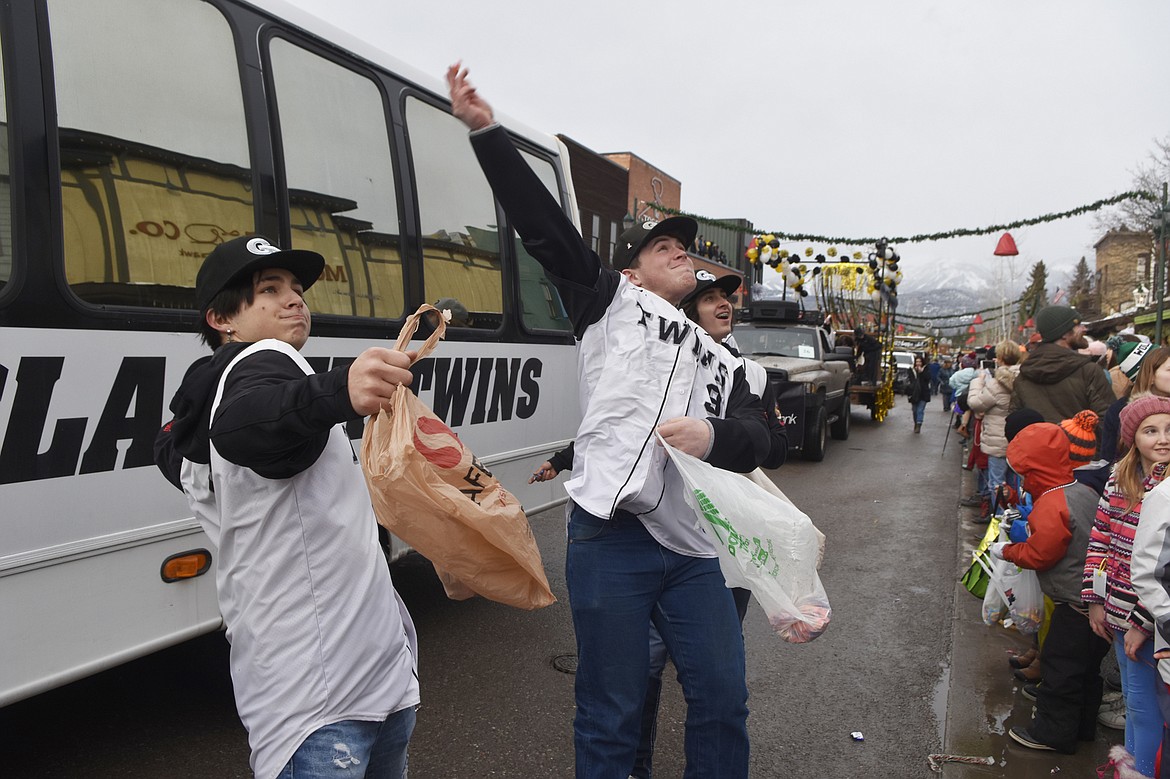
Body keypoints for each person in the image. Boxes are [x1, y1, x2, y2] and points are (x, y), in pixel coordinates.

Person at [448, 65, 769, 778]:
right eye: (664, 247)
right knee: (611, 711)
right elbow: (546, 230)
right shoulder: (607, 307)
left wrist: (713, 436)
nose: (681, 251)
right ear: (631, 275)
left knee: (722, 697)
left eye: (686, 247)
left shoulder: (728, 359)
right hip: (610, 541)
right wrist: (488, 134)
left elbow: (758, 438)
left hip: (693, 551)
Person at [153, 235, 421, 779]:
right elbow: (245, 427)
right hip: (320, 706)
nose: (294, 299)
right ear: (221, 318)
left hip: (369, 675)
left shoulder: (218, 394)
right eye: (268, 291)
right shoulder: (262, 363)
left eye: (296, 288)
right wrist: (337, 392)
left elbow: (195, 444)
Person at [988, 422, 1109, 754]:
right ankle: (1081, 727)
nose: (1024, 481)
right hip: (1096, 601)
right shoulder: (1083, 490)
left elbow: (1041, 553)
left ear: (1036, 470)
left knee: (1061, 668)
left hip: (1074, 604)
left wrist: (1008, 551)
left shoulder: (1052, 502)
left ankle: (1053, 734)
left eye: (1025, 473)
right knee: (1087, 671)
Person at [1082, 395, 1170, 776]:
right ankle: (1132, 767)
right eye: (1151, 431)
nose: (1162, 439)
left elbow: (1162, 569)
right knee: (1138, 700)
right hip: (1117, 609)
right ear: (1133, 437)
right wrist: (1094, 599)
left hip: (1153, 619)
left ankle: (1140, 772)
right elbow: (1099, 537)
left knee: (1146, 704)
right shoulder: (1120, 478)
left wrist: (1141, 621)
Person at [1010, 305, 1114, 444]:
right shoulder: (1089, 372)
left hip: (1039, 459)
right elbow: (1109, 422)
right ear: (1064, 334)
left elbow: (1014, 425)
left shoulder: (1023, 376)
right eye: (1078, 326)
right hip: (1082, 460)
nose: (1084, 329)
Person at [968, 339, 1023, 516]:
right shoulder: (1024, 379)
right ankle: (1014, 522)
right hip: (1019, 440)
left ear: (999, 358)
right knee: (1015, 485)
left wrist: (978, 382)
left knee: (997, 484)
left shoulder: (997, 384)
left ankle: (1000, 525)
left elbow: (976, 403)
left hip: (997, 440)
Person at [906, 354, 931, 433]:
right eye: (917, 362)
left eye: (920, 362)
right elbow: (910, 380)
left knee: (920, 410)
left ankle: (918, 425)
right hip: (914, 393)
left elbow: (928, 378)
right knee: (914, 410)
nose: (918, 363)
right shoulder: (911, 370)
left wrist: (922, 372)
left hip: (923, 393)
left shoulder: (926, 369)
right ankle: (916, 422)